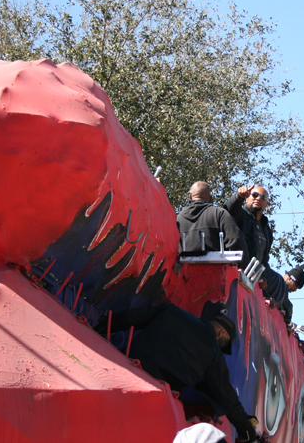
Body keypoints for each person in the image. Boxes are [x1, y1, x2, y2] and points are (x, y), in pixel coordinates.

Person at [111, 302, 259, 442]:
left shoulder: (173, 311)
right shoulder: (213, 353)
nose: (222, 347)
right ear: (222, 333)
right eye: (225, 342)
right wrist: (247, 433)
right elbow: (227, 397)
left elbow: (131, 317)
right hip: (148, 402)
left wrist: (104, 325)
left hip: (122, 370)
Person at [178, 182, 249, 267]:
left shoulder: (177, 219)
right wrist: (243, 268)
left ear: (190, 197)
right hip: (215, 274)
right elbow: (236, 240)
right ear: (210, 198)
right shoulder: (219, 214)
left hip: (184, 275)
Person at [223, 185, 272, 269]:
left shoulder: (266, 229)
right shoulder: (241, 215)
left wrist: (264, 277)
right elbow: (229, 210)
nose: (258, 198)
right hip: (237, 271)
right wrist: (238, 197)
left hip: (254, 277)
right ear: (247, 198)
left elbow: (264, 260)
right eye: (255, 195)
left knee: (279, 280)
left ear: (266, 204)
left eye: (263, 197)